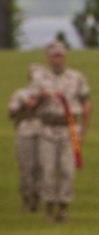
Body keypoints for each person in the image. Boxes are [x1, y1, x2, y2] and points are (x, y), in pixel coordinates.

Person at [33, 41, 92, 222]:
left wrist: (82, 132)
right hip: (47, 128)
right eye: (53, 55)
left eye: (59, 55)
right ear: (48, 56)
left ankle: (64, 209)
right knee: (48, 169)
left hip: (69, 129)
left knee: (67, 169)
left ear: (64, 56)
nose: (56, 59)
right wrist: (39, 97)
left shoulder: (76, 77)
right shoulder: (39, 78)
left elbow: (86, 104)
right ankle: (49, 209)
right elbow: (29, 105)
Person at [8, 64, 44, 213]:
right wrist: (24, 105)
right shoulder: (21, 94)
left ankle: (38, 201)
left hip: (43, 132)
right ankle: (27, 201)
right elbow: (11, 113)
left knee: (41, 168)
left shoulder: (46, 94)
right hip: (25, 132)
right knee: (26, 168)